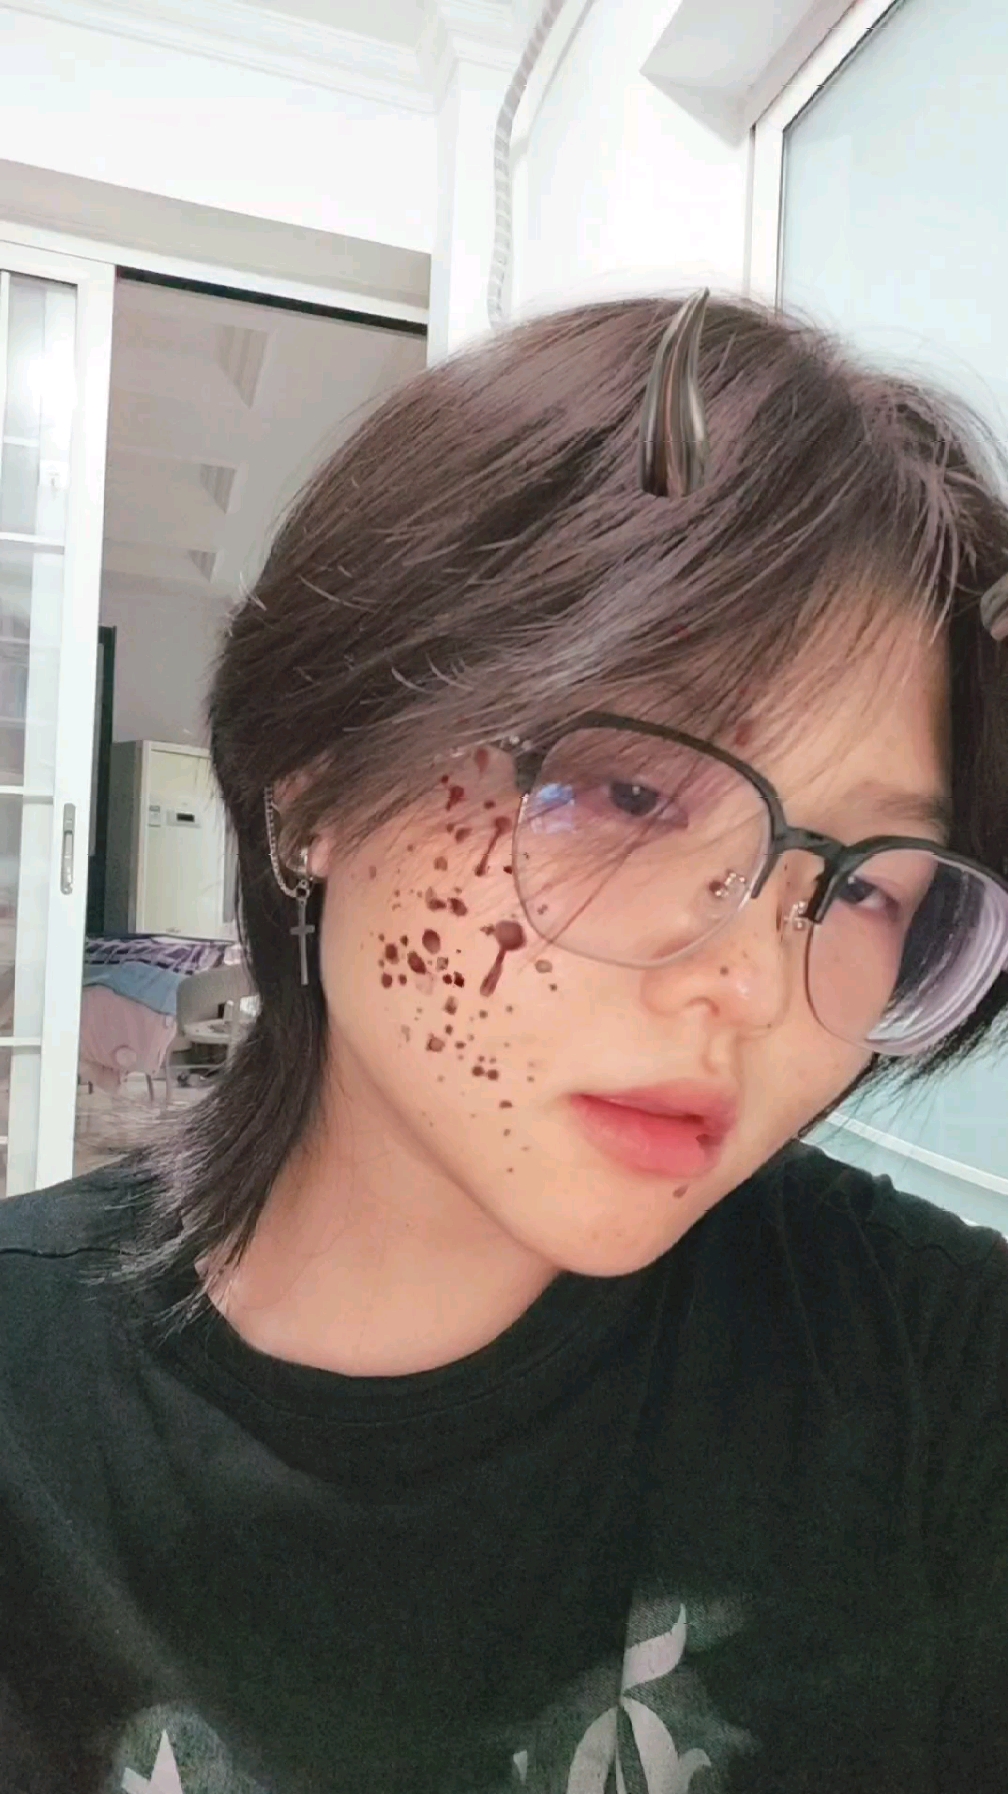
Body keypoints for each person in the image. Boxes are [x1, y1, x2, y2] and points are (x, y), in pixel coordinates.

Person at [1, 292, 1007, 1794]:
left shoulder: (941, 1383)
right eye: (630, 792)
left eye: (865, 884)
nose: (748, 983)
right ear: (317, 785)